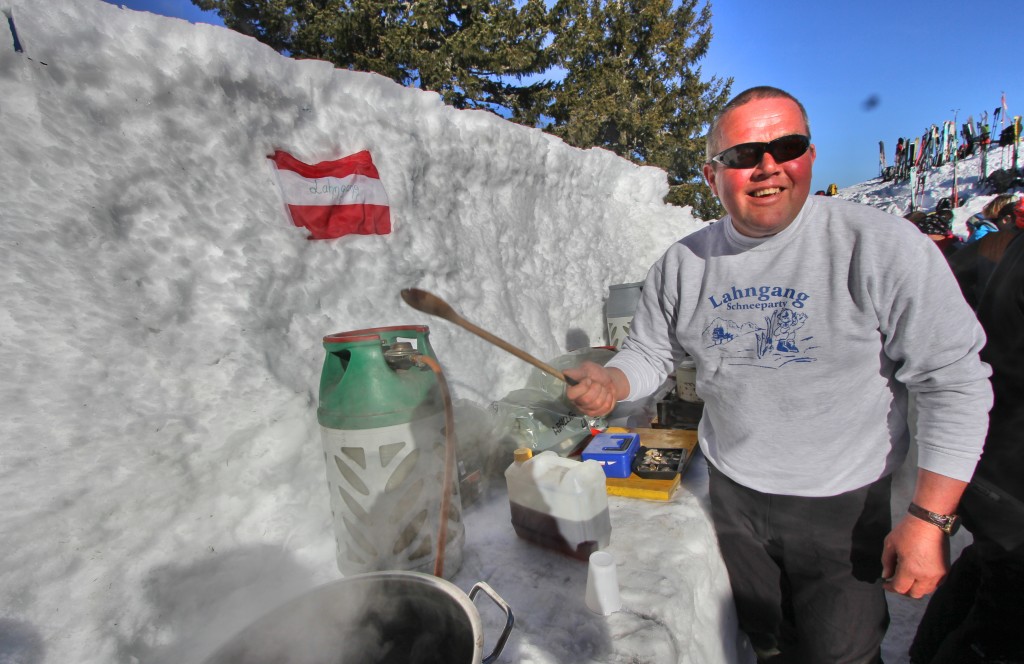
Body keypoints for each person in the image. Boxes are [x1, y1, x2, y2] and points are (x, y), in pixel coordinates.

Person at [564, 86, 992, 664]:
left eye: (786, 146)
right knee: (765, 635)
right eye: (743, 155)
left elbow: (954, 380)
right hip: (734, 490)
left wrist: (929, 519)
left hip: (842, 502)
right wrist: (612, 382)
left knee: (840, 651)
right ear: (713, 174)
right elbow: (649, 352)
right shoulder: (683, 265)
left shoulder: (880, 246)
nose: (767, 166)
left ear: (809, 156)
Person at [909, 209, 1024, 663]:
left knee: (988, 571)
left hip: (994, 455)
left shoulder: (1008, 243)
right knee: (1004, 628)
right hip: (1013, 474)